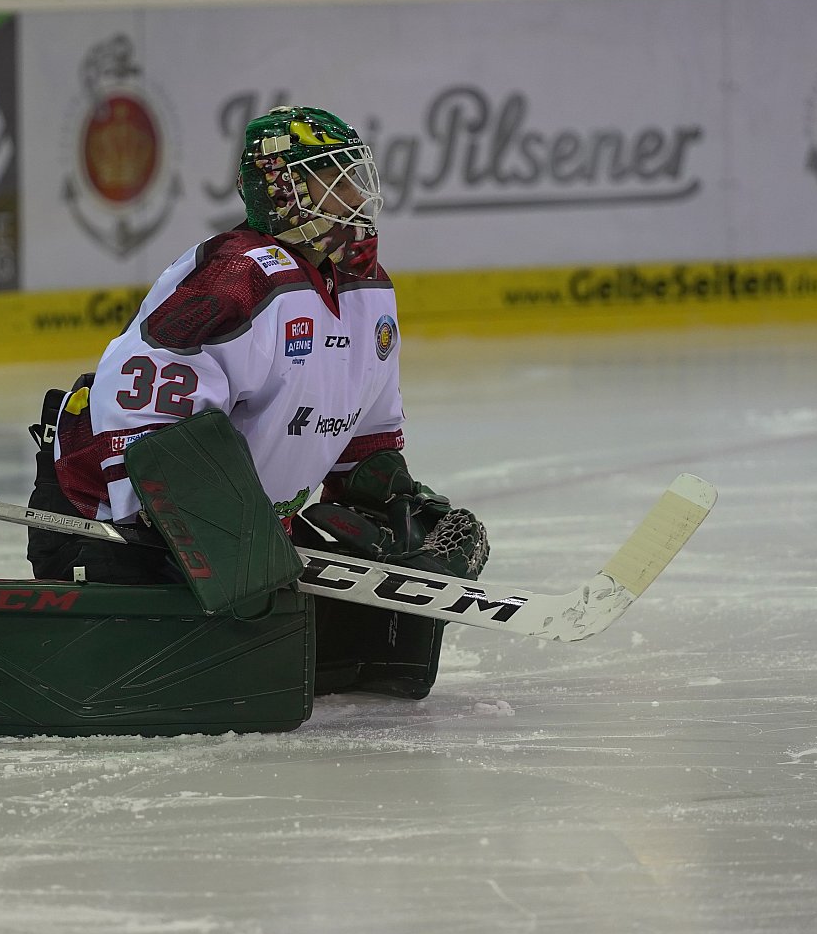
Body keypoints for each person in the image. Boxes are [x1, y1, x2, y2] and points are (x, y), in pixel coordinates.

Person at [26, 105, 489, 699]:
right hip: (114, 525)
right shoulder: (239, 280)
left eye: (354, 171)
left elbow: (365, 445)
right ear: (284, 190)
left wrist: (395, 511)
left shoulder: (371, 292)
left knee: (351, 642)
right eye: (333, 174)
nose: (354, 190)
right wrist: (216, 537)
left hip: (239, 540)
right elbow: (143, 426)